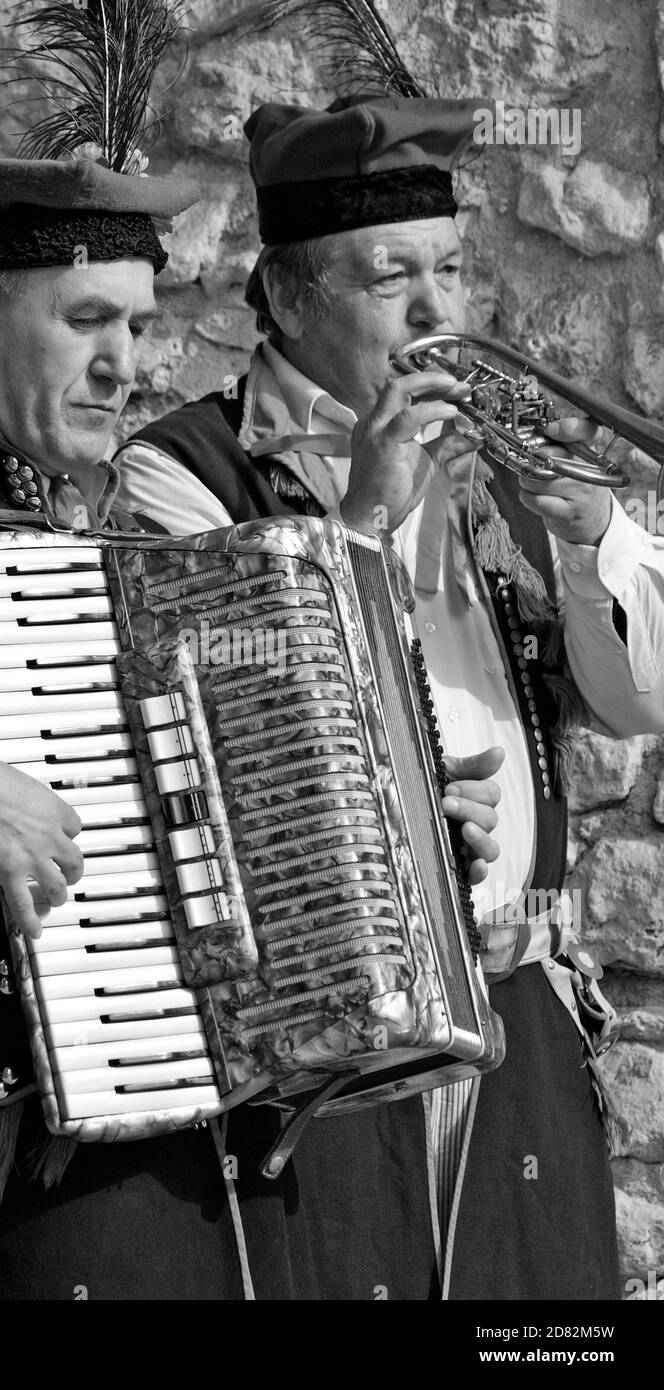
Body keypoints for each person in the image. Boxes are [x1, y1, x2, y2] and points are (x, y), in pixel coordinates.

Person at [0, 14, 502, 1301]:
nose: (124, 365)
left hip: (171, 1169)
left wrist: (397, 824)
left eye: (137, 324)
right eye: (84, 322)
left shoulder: (120, 544)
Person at [114, 91, 664, 1299]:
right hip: (327, 1041)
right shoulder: (177, 471)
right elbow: (233, 729)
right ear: (293, 296)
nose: (436, 315)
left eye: (451, 272)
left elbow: (638, 705)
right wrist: (364, 518)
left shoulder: (500, 469)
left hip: (521, 1011)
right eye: (389, 279)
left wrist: (594, 539)